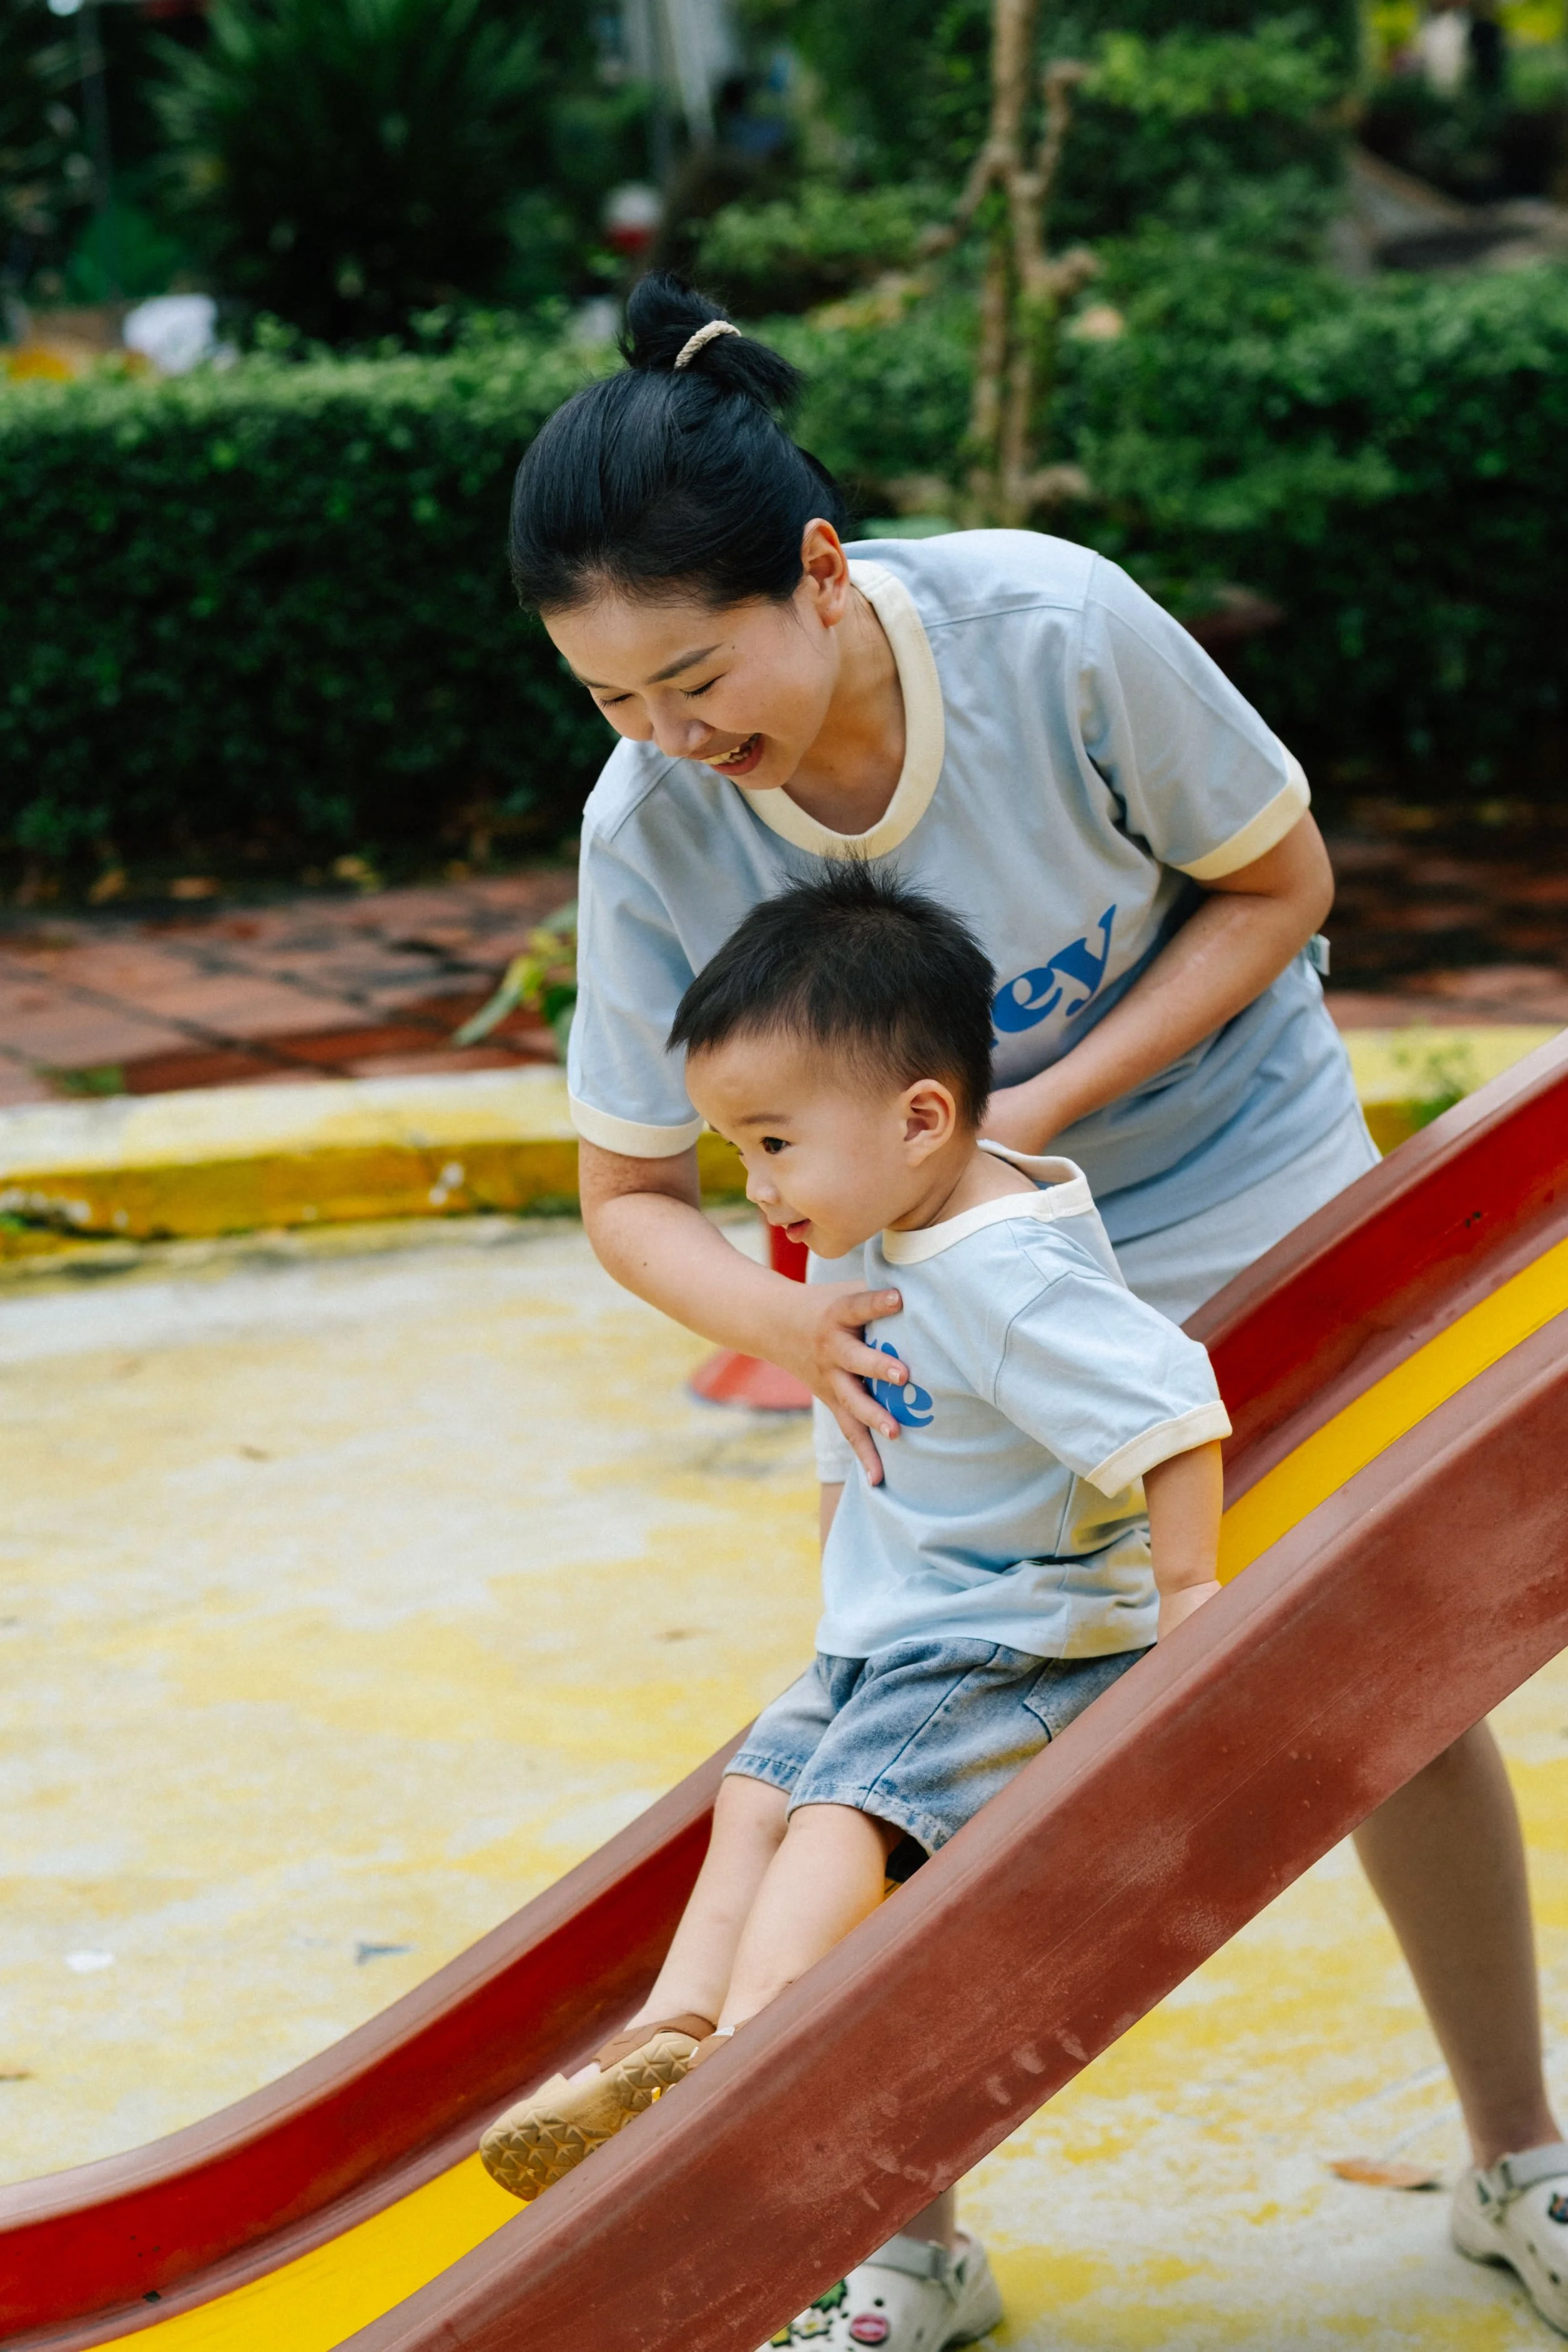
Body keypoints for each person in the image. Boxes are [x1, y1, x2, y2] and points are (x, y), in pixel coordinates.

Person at [501, 271, 1568, 2348]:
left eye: (695, 677)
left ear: (821, 574)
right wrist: (799, 1317)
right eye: (609, 700)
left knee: (1392, 1670)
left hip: (1228, 1175)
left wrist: (1034, 1110)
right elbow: (629, 1192)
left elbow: (1284, 883)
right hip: (905, 1273)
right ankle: (903, 2242)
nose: (666, 740)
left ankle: (1522, 2158)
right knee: (888, 1717)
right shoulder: (655, 828)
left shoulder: (1051, 633)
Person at [480, 871, 1231, 2329]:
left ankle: (756, 2052)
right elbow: (854, 1413)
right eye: (732, 1149)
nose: (753, 1189)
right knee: (759, 1789)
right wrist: (839, 1595)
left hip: (1008, 1637)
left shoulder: (1001, 1268)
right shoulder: (873, 1234)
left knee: (837, 1816)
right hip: (893, 1627)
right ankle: (672, 2032)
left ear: (920, 1120)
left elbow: (1173, 1406)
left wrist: (1189, 1597)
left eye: (769, 1145)